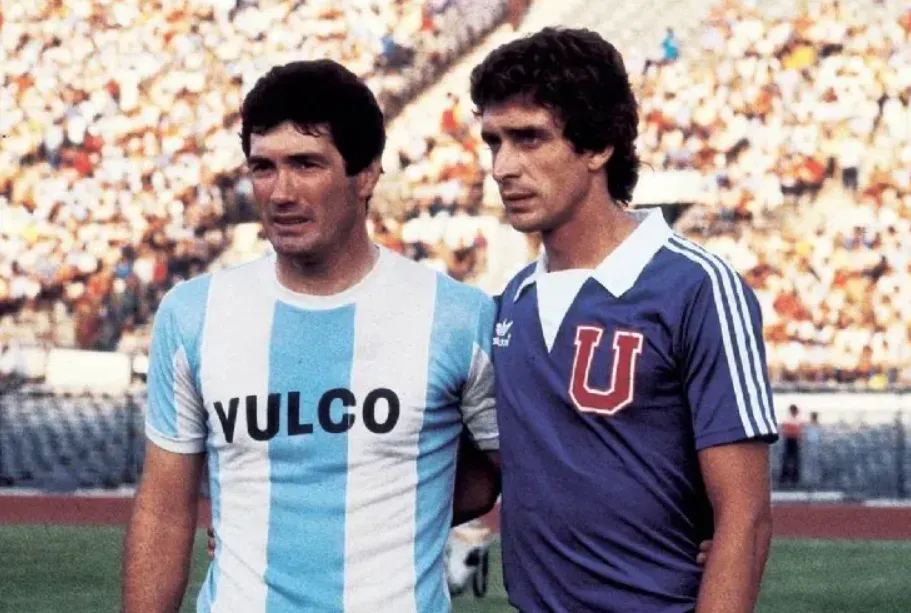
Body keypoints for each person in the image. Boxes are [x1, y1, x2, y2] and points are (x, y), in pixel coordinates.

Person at [121, 59, 502, 613]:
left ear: (366, 173)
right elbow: (163, 508)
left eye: (306, 164)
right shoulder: (192, 315)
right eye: (263, 167)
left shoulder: (459, 317)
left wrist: (382, 517)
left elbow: (501, 473)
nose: (280, 192)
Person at [470, 27, 779, 612]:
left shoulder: (696, 286)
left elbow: (746, 516)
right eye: (494, 142)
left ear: (598, 146)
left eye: (530, 139)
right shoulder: (510, 301)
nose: (503, 167)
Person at [779, 404, 804, 487]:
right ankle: (785, 477)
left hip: (794, 439)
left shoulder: (796, 419)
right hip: (789, 439)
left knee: (795, 459)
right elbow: (786, 429)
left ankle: (794, 477)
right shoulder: (789, 419)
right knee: (787, 459)